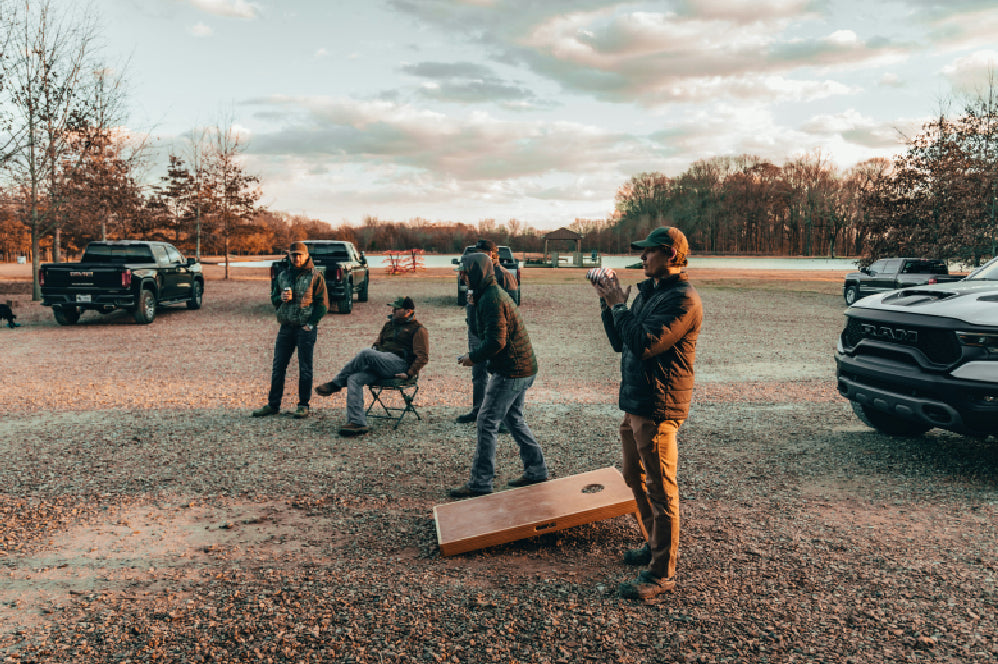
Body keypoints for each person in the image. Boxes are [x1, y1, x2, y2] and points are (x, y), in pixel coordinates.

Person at [594, 226, 702, 600]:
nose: (642, 258)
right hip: (635, 403)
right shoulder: (649, 293)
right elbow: (619, 342)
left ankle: (661, 574)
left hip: (658, 407)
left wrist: (619, 307)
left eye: (648, 253)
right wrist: (610, 305)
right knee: (633, 477)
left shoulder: (683, 300)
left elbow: (643, 344)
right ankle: (653, 544)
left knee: (661, 490)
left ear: (670, 254)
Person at [448, 253, 547, 498]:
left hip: (511, 370)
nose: (462, 277)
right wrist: (471, 306)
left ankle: (481, 482)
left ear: (476, 273)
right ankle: (536, 469)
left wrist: (473, 358)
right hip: (522, 368)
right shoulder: (485, 296)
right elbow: (477, 330)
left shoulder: (492, 299)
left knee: (486, 421)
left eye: (465, 272)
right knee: (513, 419)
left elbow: (495, 342)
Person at [315, 296, 429, 436]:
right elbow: (377, 344)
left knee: (365, 353)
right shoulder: (388, 325)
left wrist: (410, 373)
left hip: (399, 365)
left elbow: (422, 356)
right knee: (354, 378)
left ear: (408, 311)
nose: (393, 310)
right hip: (381, 363)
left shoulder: (418, 330)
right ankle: (357, 422)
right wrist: (373, 357)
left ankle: (336, 383)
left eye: (397, 308)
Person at [253, 241, 328, 419]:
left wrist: (311, 324)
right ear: (289, 256)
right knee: (278, 367)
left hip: (305, 329)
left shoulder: (315, 276)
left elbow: (323, 304)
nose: (296, 258)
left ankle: (303, 405)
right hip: (286, 327)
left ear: (306, 256)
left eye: (299, 255)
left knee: (305, 368)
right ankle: (273, 404)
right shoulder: (282, 275)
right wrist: (280, 297)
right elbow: (273, 298)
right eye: (293, 255)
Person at [455, 239, 518, 426]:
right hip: (475, 331)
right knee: (478, 373)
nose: (480, 255)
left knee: (499, 374)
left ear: (493, 254)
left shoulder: (504, 276)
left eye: (484, 252)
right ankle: (478, 411)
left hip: (495, 333)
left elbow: (512, 307)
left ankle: (503, 418)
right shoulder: (476, 273)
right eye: (478, 252)